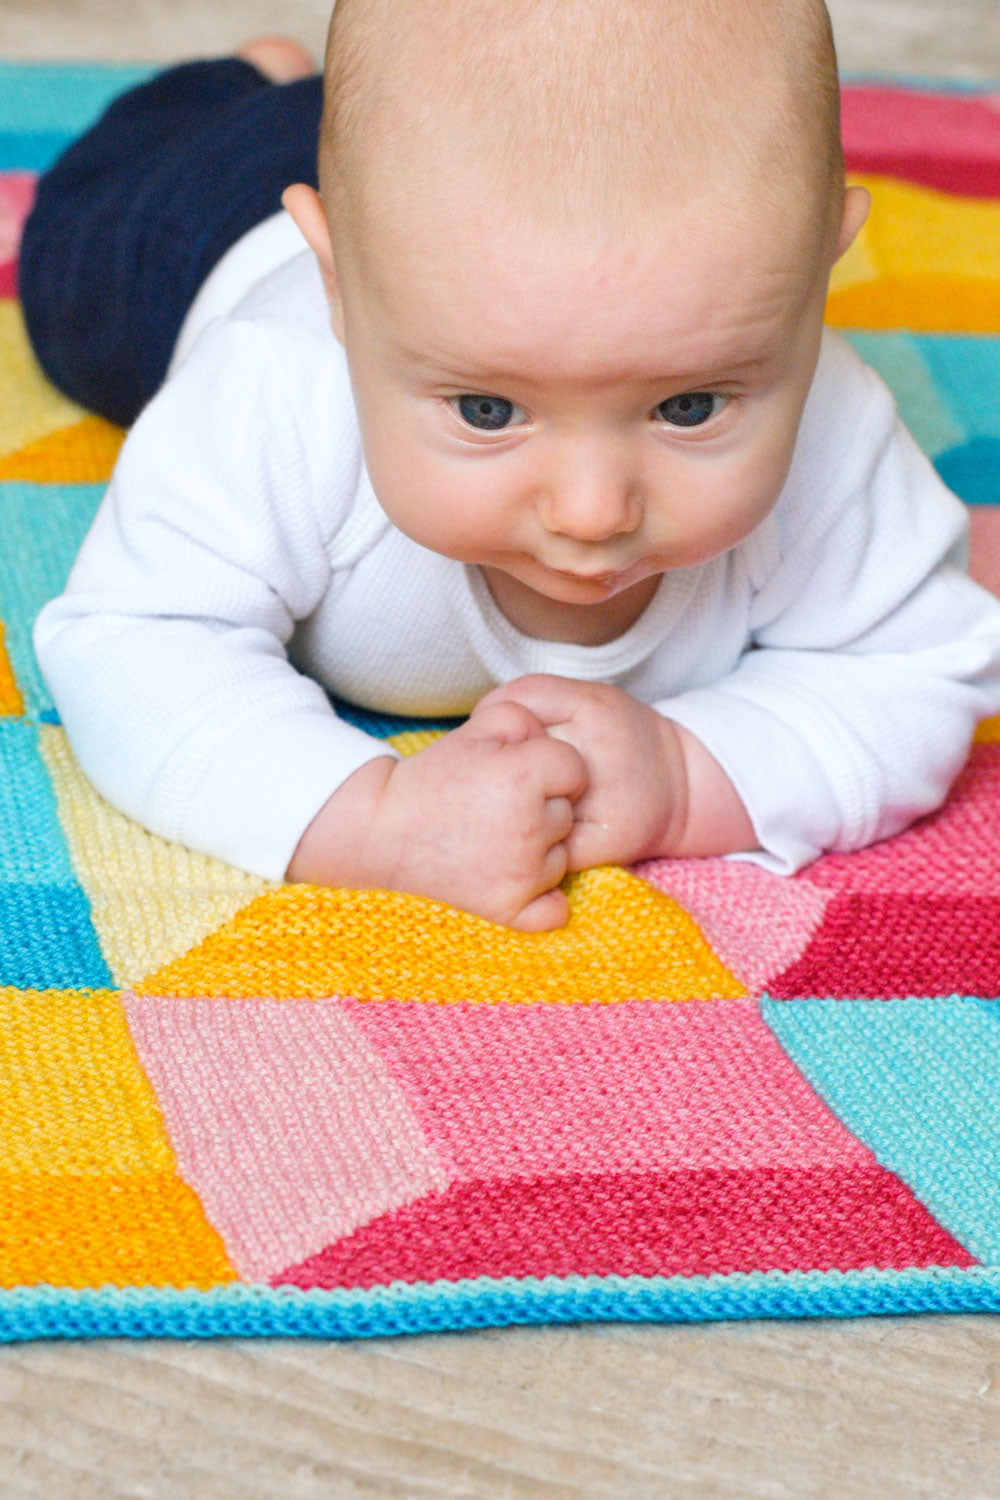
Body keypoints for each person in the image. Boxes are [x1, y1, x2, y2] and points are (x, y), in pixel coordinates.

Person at [21, 0, 1000, 933]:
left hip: (421, 204)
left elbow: (914, 669)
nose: (590, 510)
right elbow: (138, 641)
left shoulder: (831, 420)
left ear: (814, 281)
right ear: (338, 291)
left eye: (688, 407)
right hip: (208, 231)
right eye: (487, 410)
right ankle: (250, 83)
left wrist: (692, 775)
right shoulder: (273, 390)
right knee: (73, 268)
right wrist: (370, 820)